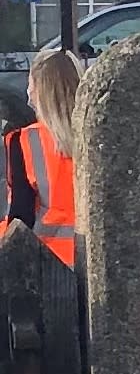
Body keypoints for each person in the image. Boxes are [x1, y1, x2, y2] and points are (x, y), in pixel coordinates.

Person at [4, 50, 83, 267]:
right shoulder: (97, 136)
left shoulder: (24, 141)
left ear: (38, 89)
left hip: (47, 263)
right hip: (99, 261)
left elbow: (20, 217)